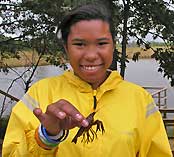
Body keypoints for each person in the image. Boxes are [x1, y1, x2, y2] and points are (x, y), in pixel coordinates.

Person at [2, 4, 172, 157]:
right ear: (66, 48)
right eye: (80, 44)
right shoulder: (39, 94)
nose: (91, 55)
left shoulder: (140, 99)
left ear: (113, 45)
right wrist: (46, 136)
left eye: (101, 43)